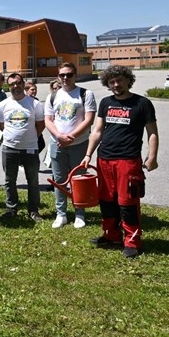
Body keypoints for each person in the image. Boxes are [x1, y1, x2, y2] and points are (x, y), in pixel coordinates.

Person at [80, 65, 158, 259]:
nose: (116, 84)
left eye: (119, 80)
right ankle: (111, 235)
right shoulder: (106, 102)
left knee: (128, 202)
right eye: (112, 81)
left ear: (127, 80)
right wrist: (89, 154)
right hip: (104, 159)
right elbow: (97, 131)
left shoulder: (142, 103)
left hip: (128, 161)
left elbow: (152, 133)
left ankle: (132, 241)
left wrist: (152, 157)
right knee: (106, 200)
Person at [44, 62, 97, 229]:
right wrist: (59, 136)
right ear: (58, 76)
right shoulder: (53, 96)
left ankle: (79, 214)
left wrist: (71, 136)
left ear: (75, 75)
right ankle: (61, 214)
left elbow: (89, 119)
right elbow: (48, 120)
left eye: (69, 75)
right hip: (57, 143)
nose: (65, 78)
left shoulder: (85, 94)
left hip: (79, 144)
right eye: (62, 75)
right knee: (59, 181)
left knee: (78, 179)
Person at [0, 73, 45, 222]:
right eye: (12, 84)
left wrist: (29, 138)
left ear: (23, 84)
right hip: (9, 148)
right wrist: (14, 137)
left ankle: (33, 210)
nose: (15, 86)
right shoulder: (3, 105)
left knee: (33, 180)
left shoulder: (34, 104)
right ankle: (11, 208)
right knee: (9, 180)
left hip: (30, 148)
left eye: (18, 83)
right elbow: (1, 125)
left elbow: (40, 125)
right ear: (8, 86)